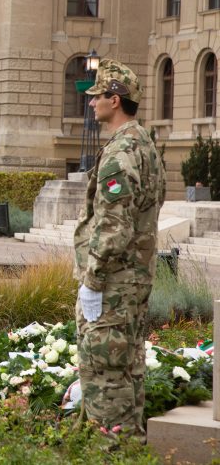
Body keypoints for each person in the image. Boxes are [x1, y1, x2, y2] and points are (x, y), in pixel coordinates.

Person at [73, 59, 165, 440]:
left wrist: (93, 280)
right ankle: (129, 446)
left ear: (115, 100)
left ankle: (111, 450)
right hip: (133, 282)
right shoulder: (144, 145)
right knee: (128, 369)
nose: (92, 102)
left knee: (105, 372)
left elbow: (114, 226)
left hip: (114, 284)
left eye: (98, 96)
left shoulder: (121, 152)